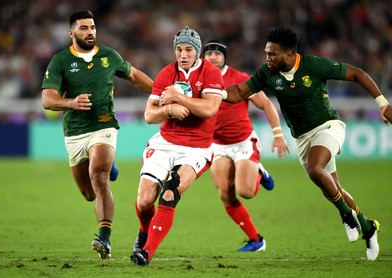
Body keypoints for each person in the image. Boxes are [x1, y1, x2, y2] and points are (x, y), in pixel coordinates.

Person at [225, 25, 392, 261]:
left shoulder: (314, 65)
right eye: (266, 52)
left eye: (272, 53)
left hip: (328, 126)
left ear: (289, 54)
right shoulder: (266, 72)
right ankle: (367, 227)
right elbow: (239, 92)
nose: (267, 58)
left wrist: (382, 103)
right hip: (302, 138)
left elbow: (357, 74)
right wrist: (217, 95)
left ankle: (346, 217)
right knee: (334, 188)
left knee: (316, 169)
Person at [41, 10, 153, 260]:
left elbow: (134, 76)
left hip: (104, 126)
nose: (90, 32)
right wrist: (71, 103)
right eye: (83, 28)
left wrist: (160, 92)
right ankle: (106, 167)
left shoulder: (108, 56)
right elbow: (47, 100)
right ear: (71, 33)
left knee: (99, 177)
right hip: (74, 133)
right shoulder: (59, 61)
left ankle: (104, 238)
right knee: (89, 193)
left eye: (92, 27)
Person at [129, 27, 224, 266]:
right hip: (165, 143)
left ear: (197, 51)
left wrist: (178, 97)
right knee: (144, 201)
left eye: (188, 49)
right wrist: (168, 110)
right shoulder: (166, 74)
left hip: (197, 148)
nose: (183, 54)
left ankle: (146, 252)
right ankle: (144, 232)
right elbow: (149, 116)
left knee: (170, 192)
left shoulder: (211, 73)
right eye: (179, 49)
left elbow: (210, 109)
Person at [203, 40, 290, 252]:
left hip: (242, 142)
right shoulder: (200, 80)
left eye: (217, 53)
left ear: (225, 57)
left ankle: (259, 171)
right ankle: (256, 240)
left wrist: (278, 134)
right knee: (225, 193)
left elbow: (266, 105)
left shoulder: (239, 78)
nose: (213, 57)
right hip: (217, 145)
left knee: (246, 192)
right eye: (209, 54)